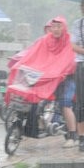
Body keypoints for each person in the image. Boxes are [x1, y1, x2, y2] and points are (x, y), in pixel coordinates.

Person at [7, 16, 76, 144]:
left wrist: (60, 71)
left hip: (65, 76)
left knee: (65, 104)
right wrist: (21, 65)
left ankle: (72, 136)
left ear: (64, 28)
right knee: (34, 99)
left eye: (59, 26)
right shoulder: (45, 40)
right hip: (49, 76)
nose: (55, 29)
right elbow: (33, 54)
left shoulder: (69, 41)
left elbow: (68, 59)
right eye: (53, 26)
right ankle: (38, 126)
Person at [70, 0, 84, 152]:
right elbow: (73, 45)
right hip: (81, 65)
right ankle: (81, 137)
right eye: (82, 5)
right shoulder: (77, 24)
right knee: (81, 102)